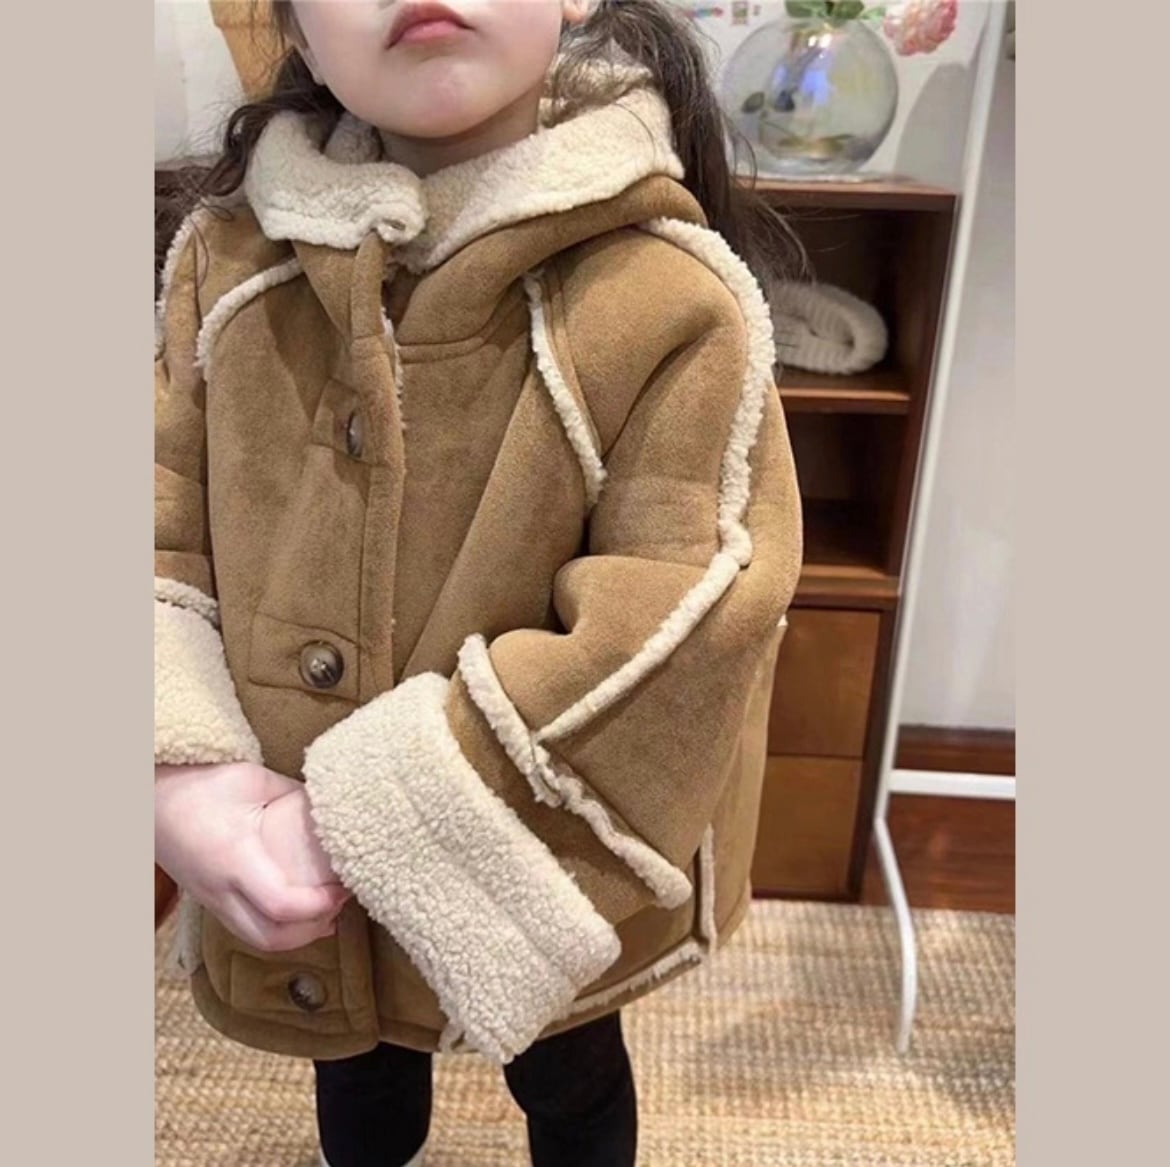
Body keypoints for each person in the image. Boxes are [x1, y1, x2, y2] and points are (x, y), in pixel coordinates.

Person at [153, 2, 804, 1165]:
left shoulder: (664, 295)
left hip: (536, 848)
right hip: (299, 866)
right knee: (356, 1058)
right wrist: (179, 772)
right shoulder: (224, 261)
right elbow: (151, 527)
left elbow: (689, 606)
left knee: (569, 1070)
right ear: (288, 22)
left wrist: (382, 809)